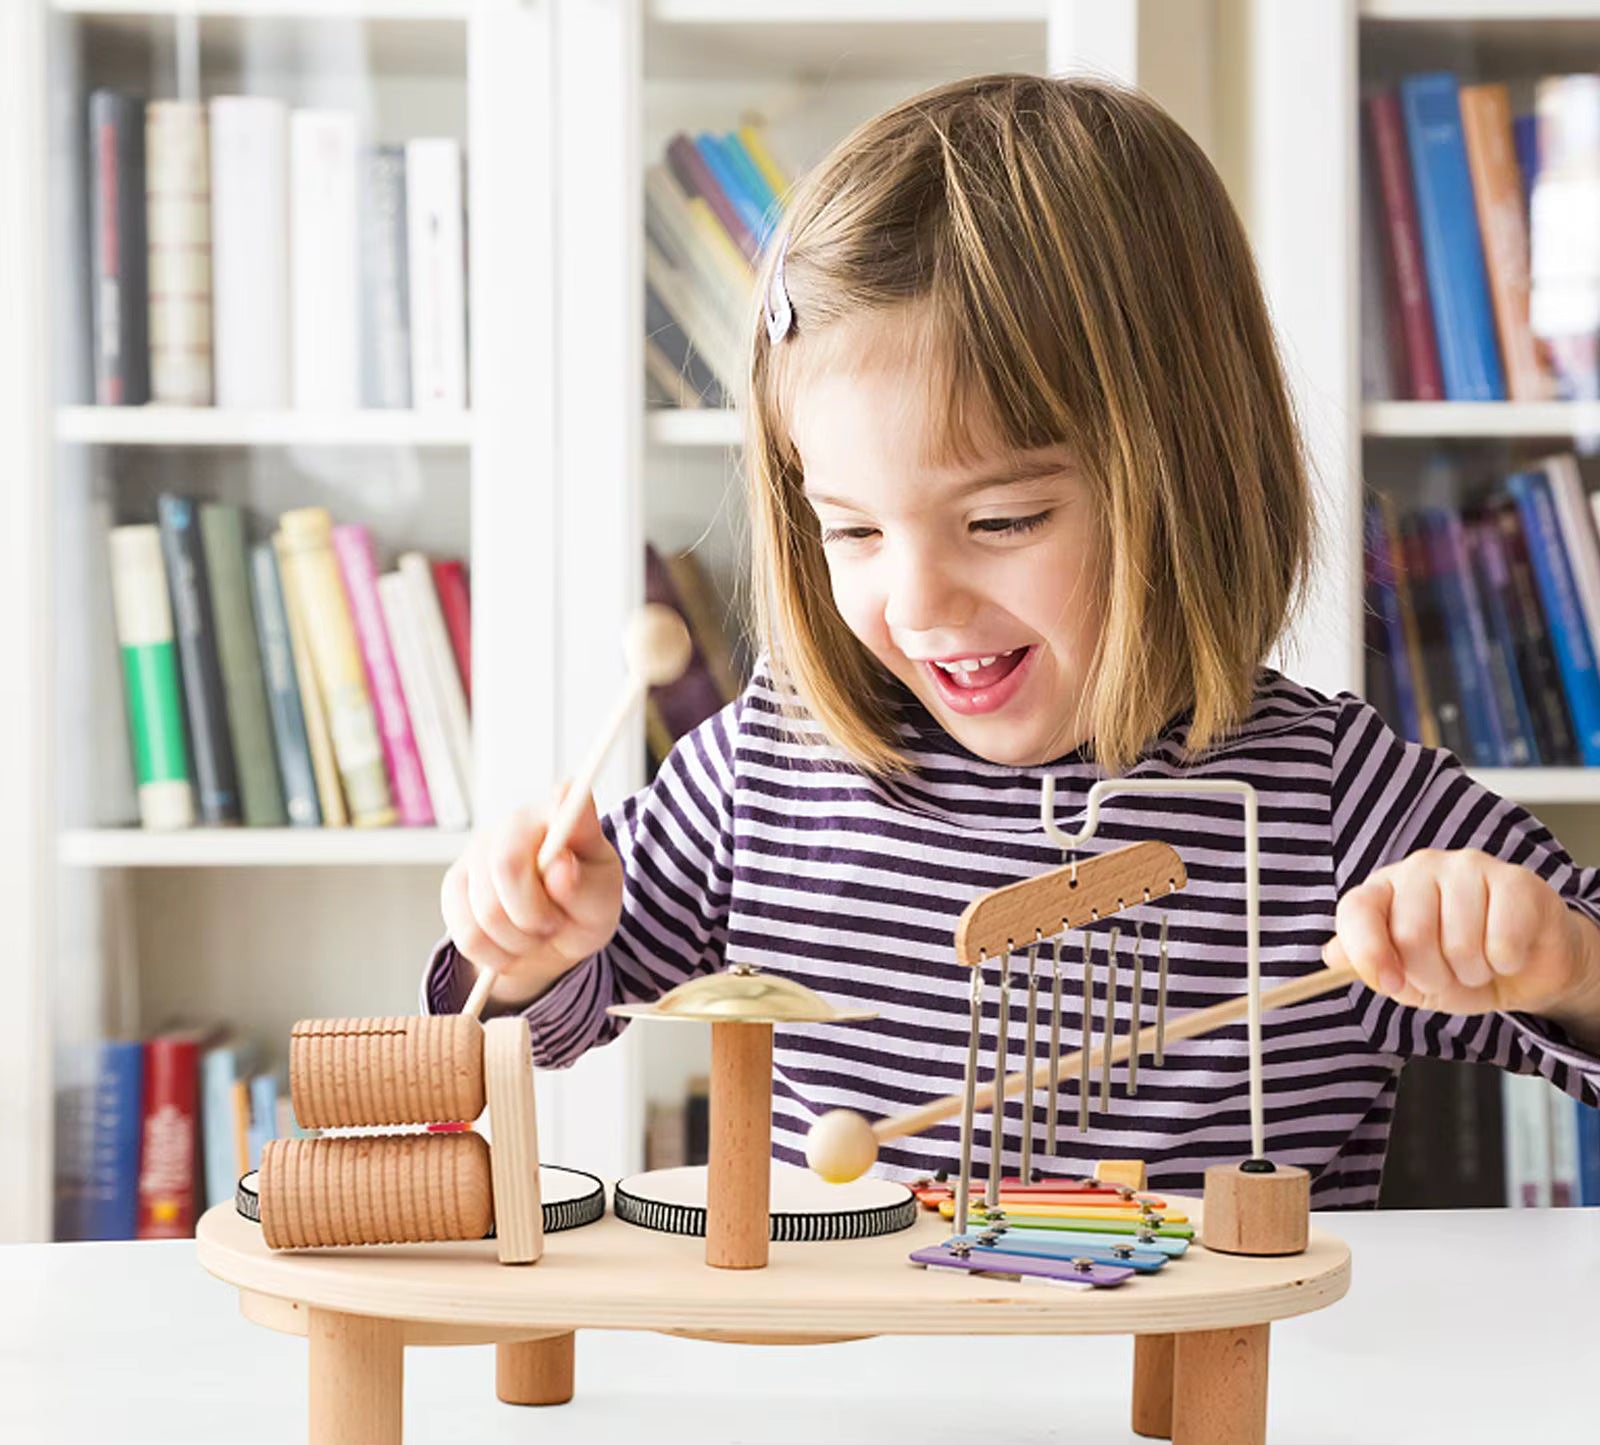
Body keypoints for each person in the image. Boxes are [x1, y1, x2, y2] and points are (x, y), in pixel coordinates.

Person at [423, 74, 1600, 1204]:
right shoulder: (767, 770)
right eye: (853, 528)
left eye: (1000, 521)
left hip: (1208, 1351)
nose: (918, 601)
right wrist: (525, 945)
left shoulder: (1329, 804)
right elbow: (515, 1028)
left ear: (1185, 483)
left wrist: (1556, 962)